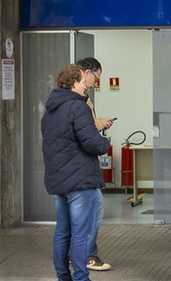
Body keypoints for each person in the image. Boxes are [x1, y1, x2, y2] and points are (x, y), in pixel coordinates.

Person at [42, 64, 111, 281]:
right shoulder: (78, 107)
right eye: (83, 81)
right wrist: (104, 142)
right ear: (74, 84)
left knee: (62, 232)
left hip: (59, 180)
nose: (86, 86)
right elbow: (92, 142)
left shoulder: (50, 111)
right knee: (81, 235)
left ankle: (63, 276)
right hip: (80, 181)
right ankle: (81, 277)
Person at [75, 57, 114, 272]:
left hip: (80, 165)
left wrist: (99, 125)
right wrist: (102, 143)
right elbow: (84, 134)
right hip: (81, 166)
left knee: (78, 213)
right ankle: (87, 256)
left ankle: (76, 256)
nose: (94, 84)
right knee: (95, 208)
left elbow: (86, 127)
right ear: (85, 73)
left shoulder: (82, 100)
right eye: (95, 79)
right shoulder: (76, 101)